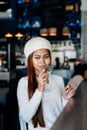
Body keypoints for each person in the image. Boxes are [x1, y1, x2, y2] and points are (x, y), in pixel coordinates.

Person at [17, 37, 75, 130]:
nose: (42, 61)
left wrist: (66, 99)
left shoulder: (58, 80)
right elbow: (26, 117)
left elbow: (62, 113)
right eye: (37, 57)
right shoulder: (23, 83)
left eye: (46, 56)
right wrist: (40, 89)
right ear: (30, 59)